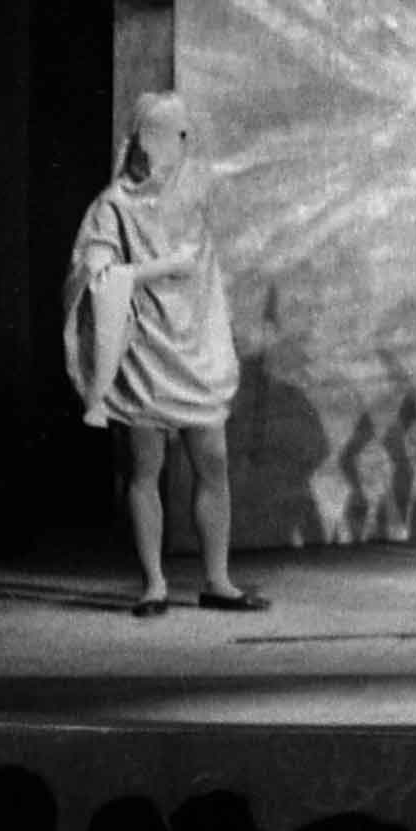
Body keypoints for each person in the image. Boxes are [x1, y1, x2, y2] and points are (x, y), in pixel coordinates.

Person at [62, 91, 268, 618]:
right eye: (173, 134)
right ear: (150, 140)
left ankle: (217, 579)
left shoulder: (197, 189)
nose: (183, 142)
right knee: (145, 468)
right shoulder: (113, 206)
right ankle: (154, 583)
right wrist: (155, 269)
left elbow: (211, 245)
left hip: (193, 342)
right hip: (146, 349)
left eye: (183, 134)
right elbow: (97, 272)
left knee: (212, 463)